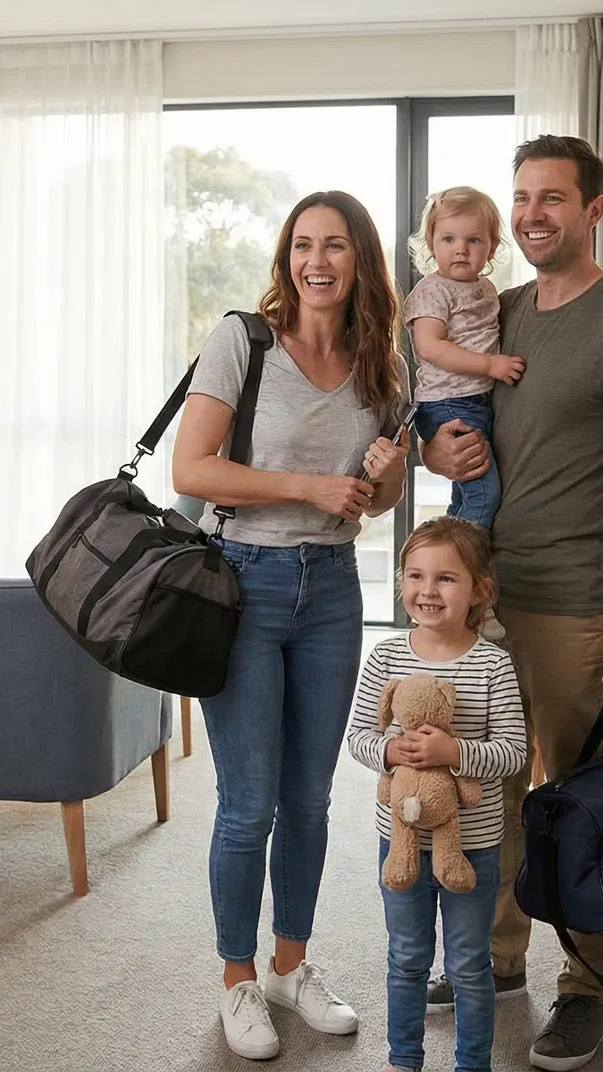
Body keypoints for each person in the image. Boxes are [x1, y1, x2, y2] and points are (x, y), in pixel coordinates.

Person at [419, 135, 603, 1071]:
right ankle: (497, 961)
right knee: (488, 790)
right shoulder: (502, 311)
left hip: (574, 601)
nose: (531, 214)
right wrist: (433, 454)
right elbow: (452, 413)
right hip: (485, 598)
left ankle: (587, 990)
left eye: (553, 199)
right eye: (521, 197)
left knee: (576, 801)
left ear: (595, 209)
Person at [171, 189, 411, 1062]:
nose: (318, 260)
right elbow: (191, 469)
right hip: (242, 583)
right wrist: (308, 488)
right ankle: (237, 982)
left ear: (360, 262)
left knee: (310, 798)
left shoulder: (383, 360)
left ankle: (289, 966)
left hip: (334, 589)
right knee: (248, 806)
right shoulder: (245, 341)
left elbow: (377, 504)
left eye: (336, 246)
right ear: (287, 258)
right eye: (303, 244)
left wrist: (383, 474)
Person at [345, 517, 527, 1072]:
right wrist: (391, 753)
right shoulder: (385, 657)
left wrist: (455, 754)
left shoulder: (492, 662)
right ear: (401, 582)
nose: (428, 590)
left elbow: (515, 753)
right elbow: (358, 737)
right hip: (398, 843)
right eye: (416, 575)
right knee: (405, 958)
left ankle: (473, 1063)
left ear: (479, 590)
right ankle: (405, 1059)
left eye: (447, 578)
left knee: (470, 964)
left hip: (472, 845)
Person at [402, 186, 525, 534]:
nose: (460, 249)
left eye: (473, 240)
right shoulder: (432, 291)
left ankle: (450, 548)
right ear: (431, 245)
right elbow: (430, 347)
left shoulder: (486, 290)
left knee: (464, 492)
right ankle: (465, 560)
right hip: (447, 404)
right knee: (484, 494)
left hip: (474, 402)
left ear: (492, 248)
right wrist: (490, 365)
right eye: (448, 239)